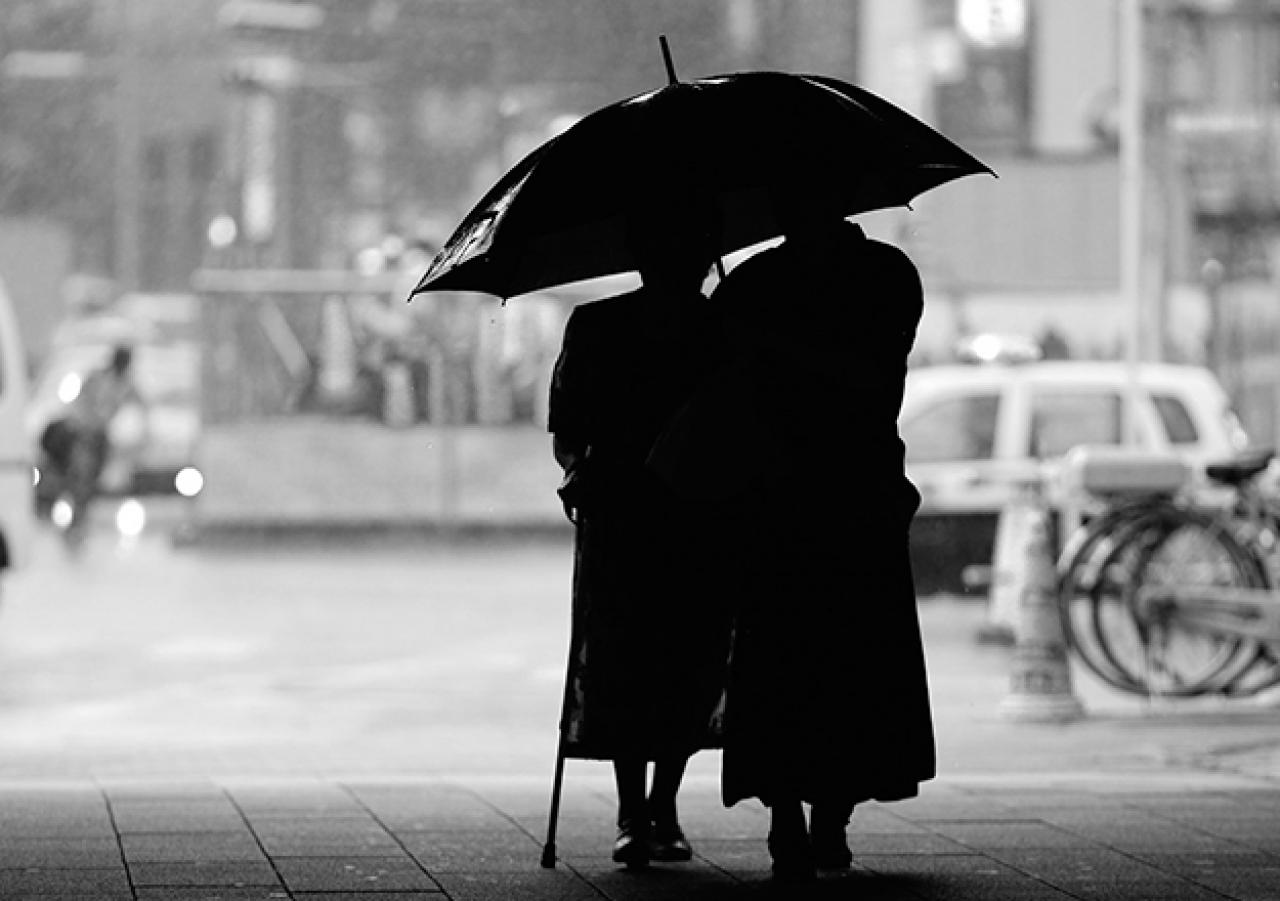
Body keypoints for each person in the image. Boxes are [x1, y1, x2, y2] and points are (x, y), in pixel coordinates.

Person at [710, 181, 936, 880]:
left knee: (779, 658)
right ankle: (829, 815)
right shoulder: (888, 275)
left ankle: (789, 814)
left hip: (776, 494)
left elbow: (722, 381)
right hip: (859, 488)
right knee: (853, 659)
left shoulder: (751, 286)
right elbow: (875, 372)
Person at [547, 187, 731, 869]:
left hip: (626, 514)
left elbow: (567, 431)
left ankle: (637, 810)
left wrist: (582, 469)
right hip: (694, 514)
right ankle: (659, 806)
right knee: (686, 655)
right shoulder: (721, 327)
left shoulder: (595, 325)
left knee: (629, 657)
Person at [39, 344, 146, 536]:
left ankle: (77, 516)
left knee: (86, 475)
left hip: (96, 436)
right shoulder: (98, 377)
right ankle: (64, 512)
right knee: (79, 472)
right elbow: (81, 403)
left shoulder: (125, 385)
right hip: (81, 432)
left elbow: (142, 408)